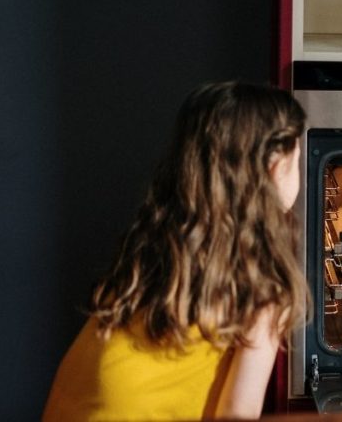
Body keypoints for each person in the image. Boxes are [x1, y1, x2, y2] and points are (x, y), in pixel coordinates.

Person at [42, 82, 308, 420]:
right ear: (274, 166)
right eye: (297, 156)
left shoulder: (156, 244)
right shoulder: (263, 281)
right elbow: (237, 414)